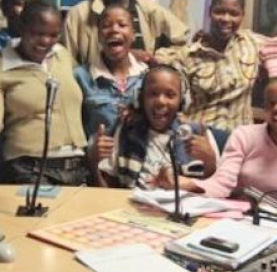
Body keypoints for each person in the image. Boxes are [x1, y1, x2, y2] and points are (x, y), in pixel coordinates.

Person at [0, 0, 88, 185]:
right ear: (22, 27)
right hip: (30, 170)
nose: (45, 41)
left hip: (77, 168)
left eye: (53, 35)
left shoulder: (62, 55)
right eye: (37, 33)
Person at [156, 76, 277, 206]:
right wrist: (183, 184)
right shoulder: (244, 136)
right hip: (240, 221)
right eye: (271, 103)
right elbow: (221, 185)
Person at [91, 64, 219, 188]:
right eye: (153, 94)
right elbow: (107, 192)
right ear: (140, 99)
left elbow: (217, 189)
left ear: (182, 101)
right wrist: (93, 162)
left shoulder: (199, 134)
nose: (160, 101)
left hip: (183, 209)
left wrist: (210, 162)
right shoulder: (126, 132)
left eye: (170, 95)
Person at [156, 0, 262, 131]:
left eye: (234, 14)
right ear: (209, 11)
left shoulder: (252, 44)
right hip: (200, 136)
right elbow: (158, 62)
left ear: (243, 15)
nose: (226, 19)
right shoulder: (188, 55)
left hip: (241, 141)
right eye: (219, 12)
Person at [75, 4, 148, 138]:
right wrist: (91, 151)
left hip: (138, 157)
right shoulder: (81, 77)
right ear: (98, 35)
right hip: (99, 158)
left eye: (122, 25)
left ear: (133, 34)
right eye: (106, 25)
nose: (114, 30)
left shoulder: (147, 77)